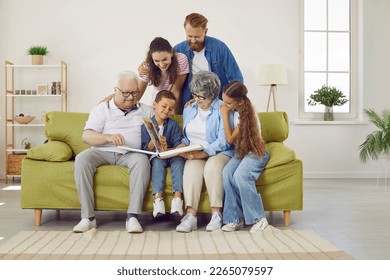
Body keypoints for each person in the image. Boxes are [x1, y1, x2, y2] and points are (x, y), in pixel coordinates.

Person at [73, 71, 154, 234]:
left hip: (132, 154)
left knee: (142, 161)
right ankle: (87, 218)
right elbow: (86, 136)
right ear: (115, 91)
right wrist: (108, 137)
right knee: (82, 159)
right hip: (102, 152)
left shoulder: (146, 111)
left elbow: (161, 129)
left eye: (134, 92)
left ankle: (133, 217)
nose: (131, 97)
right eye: (126, 93)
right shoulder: (102, 109)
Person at [175, 71, 232, 233]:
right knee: (191, 170)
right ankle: (191, 216)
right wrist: (182, 144)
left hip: (219, 151)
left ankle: (216, 215)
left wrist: (204, 153)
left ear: (213, 95)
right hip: (195, 150)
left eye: (202, 97)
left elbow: (224, 140)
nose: (198, 100)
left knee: (212, 168)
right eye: (195, 95)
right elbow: (188, 135)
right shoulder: (189, 108)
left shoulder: (222, 108)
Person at [219, 81, 270, 233]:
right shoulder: (234, 106)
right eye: (224, 101)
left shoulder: (246, 114)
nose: (225, 105)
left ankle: (259, 219)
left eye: (228, 103)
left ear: (240, 101)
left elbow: (229, 139)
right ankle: (235, 219)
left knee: (241, 176)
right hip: (241, 152)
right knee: (227, 173)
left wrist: (224, 114)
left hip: (255, 152)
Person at [174, 13, 243, 111]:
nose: (193, 40)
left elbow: (236, 78)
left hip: (217, 104)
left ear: (205, 32)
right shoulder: (178, 50)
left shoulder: (220, 47)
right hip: (190, 105)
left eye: (197, 36)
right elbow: (163, 67)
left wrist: (230, 103)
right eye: (189, 36)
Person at [141, 90, 185, 218]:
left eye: (170, 109)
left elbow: (178, 146)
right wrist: (154, 141)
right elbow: (144, 148)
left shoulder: (173, 125)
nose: (167, 111)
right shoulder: (146, 125)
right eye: (164, 106)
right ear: (155, 104)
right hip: (156, 156)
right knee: (157, 163)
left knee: (178, 162)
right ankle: (158, 199)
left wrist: (167, 147)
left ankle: (177, 198)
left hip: (171, 155)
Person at [138, 37, 189, 114]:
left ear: (171, 53)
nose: (161, 65)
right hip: (158, 102)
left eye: (165, 59)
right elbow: (137, 93)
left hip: (174, 102)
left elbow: (175, 90)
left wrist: (173, 117)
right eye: (157, 61)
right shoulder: (147, 66)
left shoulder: (180, 60)